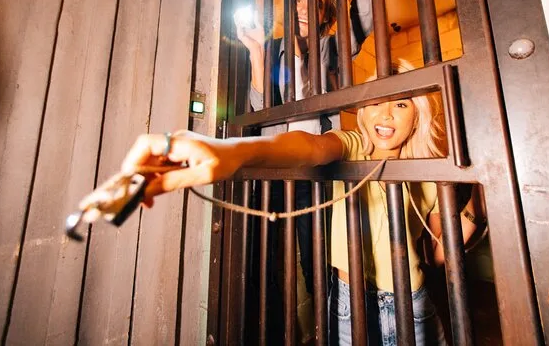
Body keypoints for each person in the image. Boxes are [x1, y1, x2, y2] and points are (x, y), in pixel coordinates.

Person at [112, 94, 481, 345]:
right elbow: (311, 146)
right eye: (375, 102)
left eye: (400, 104)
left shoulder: (429, 172)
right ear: (363, 111)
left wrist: (479, 202)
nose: (384, 114)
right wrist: (233, 150)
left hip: (411, 304)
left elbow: (441, 254)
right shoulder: (354, 146)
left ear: (417, 116)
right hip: (348, 300)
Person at [234, 0, 373, 297]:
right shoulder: (272, 47)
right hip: (273, 171)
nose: (303, 6)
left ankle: (328, 321)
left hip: (316, 172)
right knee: (264, 271)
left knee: (318, 268)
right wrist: (256, 54)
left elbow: (366, 6)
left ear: (325, 9)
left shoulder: (332, 48)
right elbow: (259, 112)